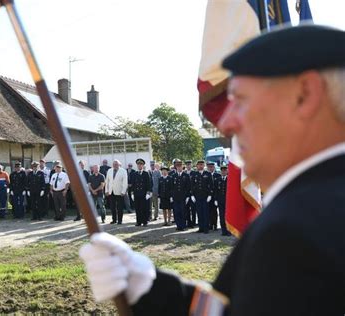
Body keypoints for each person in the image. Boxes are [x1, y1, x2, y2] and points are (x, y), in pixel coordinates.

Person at [79, 25, 345, 315]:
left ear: (305, 95)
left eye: (240, 100)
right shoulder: (313, 210)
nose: (226, 123)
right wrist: (152, 289)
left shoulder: (295, 230)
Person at [190, 160, 213, 234]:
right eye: (199, 165)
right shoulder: (194, 174)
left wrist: (210, 195)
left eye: (202, 165)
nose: (200, 166)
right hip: (197, 197)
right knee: (199, 213)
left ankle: (206, 229)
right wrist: (192, 195)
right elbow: (192, 186)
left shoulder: (208, 174)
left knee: (205, 213)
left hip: (205, 197)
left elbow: (211, 185)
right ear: (197, 166)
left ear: (204, 166)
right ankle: (201, 228)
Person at [170, 159, 191, 231]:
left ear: (182, 167)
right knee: (176, 211)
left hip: (183, 197)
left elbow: (188, 187)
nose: (179, 168)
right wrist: (171, 196)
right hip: (175, 197)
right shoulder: (173, 176)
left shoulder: (186, 175)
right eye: (177, 166)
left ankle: (183, 225)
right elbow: (171, 187)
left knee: (183, 211)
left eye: (180, 166)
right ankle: (178, 225)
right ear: (176, 167)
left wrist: (187, 196)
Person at [104, 160, 128, 225]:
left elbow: (125, 182)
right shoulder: (109, 170)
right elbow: (107, 181)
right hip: (111, 192)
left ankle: (120, 220)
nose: (115, 165)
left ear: (119, 165)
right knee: (112, 207)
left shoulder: (123, 171)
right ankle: (114, 220)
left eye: (116, 164)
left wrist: (123, 191)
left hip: (120, 192)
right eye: (114, 164)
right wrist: (106, 190)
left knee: (120, 207)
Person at [131, 158, 152, 227]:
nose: (139, 166)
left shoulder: (146, 173)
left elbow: (149, 184)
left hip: (144, 194)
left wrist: (148, 193)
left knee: (144, 208)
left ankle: (145, 221)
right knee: (137, 208)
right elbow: (132, 184)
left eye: (141, 164)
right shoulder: (134, 174)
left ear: (143, 165)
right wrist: (132, 193)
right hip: (137, 193)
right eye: (138, 164)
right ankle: (138, 221)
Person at [214, 165, 230, 236]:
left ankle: (229, 231)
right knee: (221, 216)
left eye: (225, 170)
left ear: (227, 171)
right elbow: (216, 190)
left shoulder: (230, 179)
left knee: (228, 216)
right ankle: (223, 231)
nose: (223, 172)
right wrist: (215, 199)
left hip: (228, 201)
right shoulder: (217, 180)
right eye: (222, 170)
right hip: (220, 201)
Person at [207, 161, 221, 230]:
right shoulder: (206, 175)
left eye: (212, 167)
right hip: (208, 197)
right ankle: (210, 224)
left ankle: (215, 225)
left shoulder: (218, 175)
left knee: (215, 211)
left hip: (215, 196)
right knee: (209, 211)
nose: (210, 168)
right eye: (209, 167)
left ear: (214, 167)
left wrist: (216, 197)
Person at [184, 160, 197, 227]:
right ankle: (188, 222)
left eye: (189, 165)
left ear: (191, 165)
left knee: (193, 209)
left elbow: (195, 184)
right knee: (186, 209)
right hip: (186, 194)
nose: (188, 166)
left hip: (193, 194)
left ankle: (193, 222)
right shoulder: (184, 173)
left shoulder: (194, 173)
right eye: (187, 165)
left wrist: (193, 194)